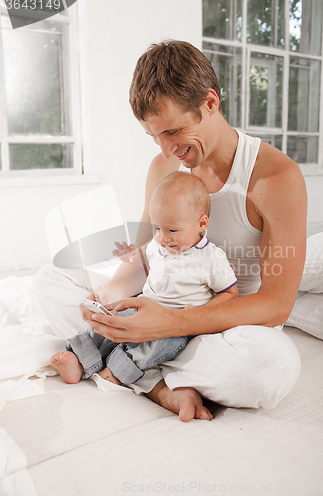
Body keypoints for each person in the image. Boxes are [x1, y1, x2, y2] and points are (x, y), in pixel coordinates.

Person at [32, 40, 307, 422]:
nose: (165, 150)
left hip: (224, 326)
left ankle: (122, 361)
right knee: (51, 280)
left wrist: (171, 322)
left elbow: (277, 304)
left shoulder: (277, 177)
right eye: (154, 136)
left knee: (274, 365)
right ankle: (160, 384)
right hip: (161, 303)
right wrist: (110, 299)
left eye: (174, 130)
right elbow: (145, 256)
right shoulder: (164, 168)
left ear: (210, 102)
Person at [50, 171, 238, 398]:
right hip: (144, 305)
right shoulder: (158, 244)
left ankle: (119, 370)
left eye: (172, 230)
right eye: (158, 228)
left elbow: (229, 292)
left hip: (176, 321)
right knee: (109, 322)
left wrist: (199, 314)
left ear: (201, 223)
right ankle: (79, 359)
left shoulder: (211, 258)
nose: (163, 237)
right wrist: (130, 257)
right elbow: (147, 264)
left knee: (158, 347)